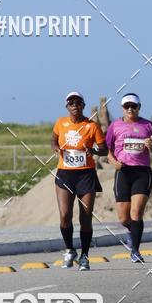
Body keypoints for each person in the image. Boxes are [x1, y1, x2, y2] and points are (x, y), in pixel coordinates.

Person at [52, 91, 106, 271]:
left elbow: (104, 149)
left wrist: (95, 152)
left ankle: (84, 256)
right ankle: (69, 249)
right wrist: (55, 147)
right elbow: (53, 139)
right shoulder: (60, 123)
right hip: (65, 174)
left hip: (86, 175)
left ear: (83, 106)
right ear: (66, 107)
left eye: (78, 102)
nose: (74, 105)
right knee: (65, 215)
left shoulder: (92, 126)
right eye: (71, 103)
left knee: (85, 217)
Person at [106, 93, 152, 263]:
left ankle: (135, 250)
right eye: (126, 106)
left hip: (142, 173)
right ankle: (132, 232)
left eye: (133, 106)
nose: (130, 109)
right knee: (124, 218)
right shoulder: (115, 126)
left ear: (139, 107)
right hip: (123, 172)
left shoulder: (148, 125)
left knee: (136, 212)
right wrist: (113, 161)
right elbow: (107, 150)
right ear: (122, 108)